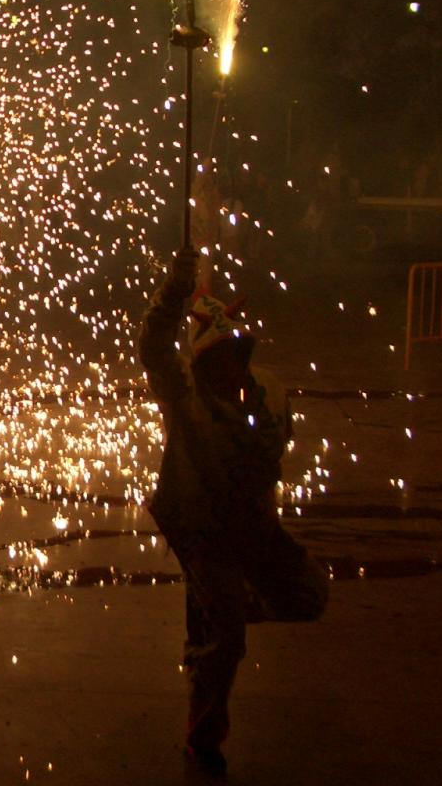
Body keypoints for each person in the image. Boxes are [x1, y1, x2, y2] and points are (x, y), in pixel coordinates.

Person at [139, 246, 328, 778]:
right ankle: (204, 740)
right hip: (201, 528)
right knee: (228, 644)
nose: (226, 368)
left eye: (233, 355)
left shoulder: (268, 392)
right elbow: (154, 347)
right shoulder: (184, 391)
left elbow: (272, 456)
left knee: (311, 595)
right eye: (215, 359)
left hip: (251, 524)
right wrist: (174, 291)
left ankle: (218, 612)